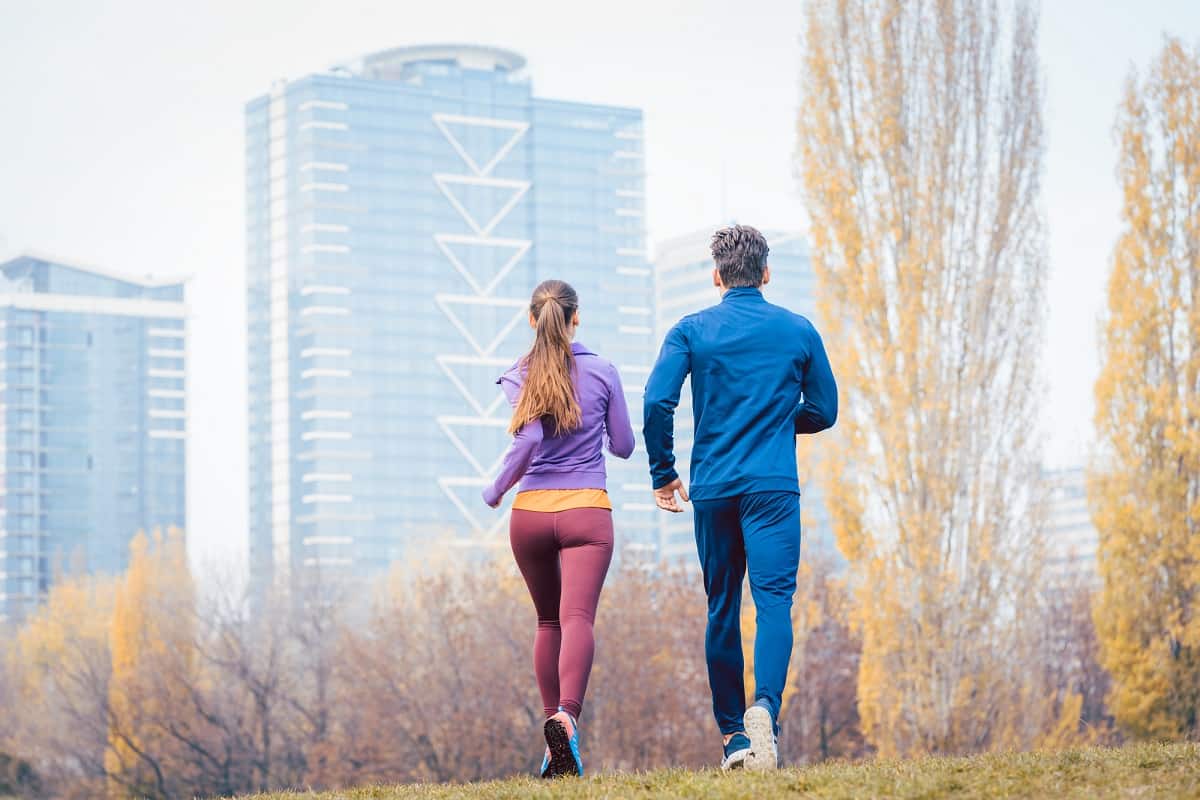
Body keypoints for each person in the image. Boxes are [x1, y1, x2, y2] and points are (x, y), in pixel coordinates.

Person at [643, 225, 838, 771]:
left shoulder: (691, 330)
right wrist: (777, 422)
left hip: (714, 488)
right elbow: (825, 409)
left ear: (716, 276)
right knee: (774, 602)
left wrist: (664, 472)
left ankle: (733, 736)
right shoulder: (798, 330)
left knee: (722, 605)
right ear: (767, 273)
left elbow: (658, 400)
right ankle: (765, 713)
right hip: (773, 487)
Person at [482, 279, 635, 779]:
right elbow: (625, 446)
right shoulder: (603, 370)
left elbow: (526, 439)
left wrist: (497, 487)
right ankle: (566, 718)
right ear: (576, 317)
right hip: (586, 512)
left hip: (529, 515)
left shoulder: (519, 373)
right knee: (577, 620)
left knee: (547, 622)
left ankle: (554, 742)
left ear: (532, 319)